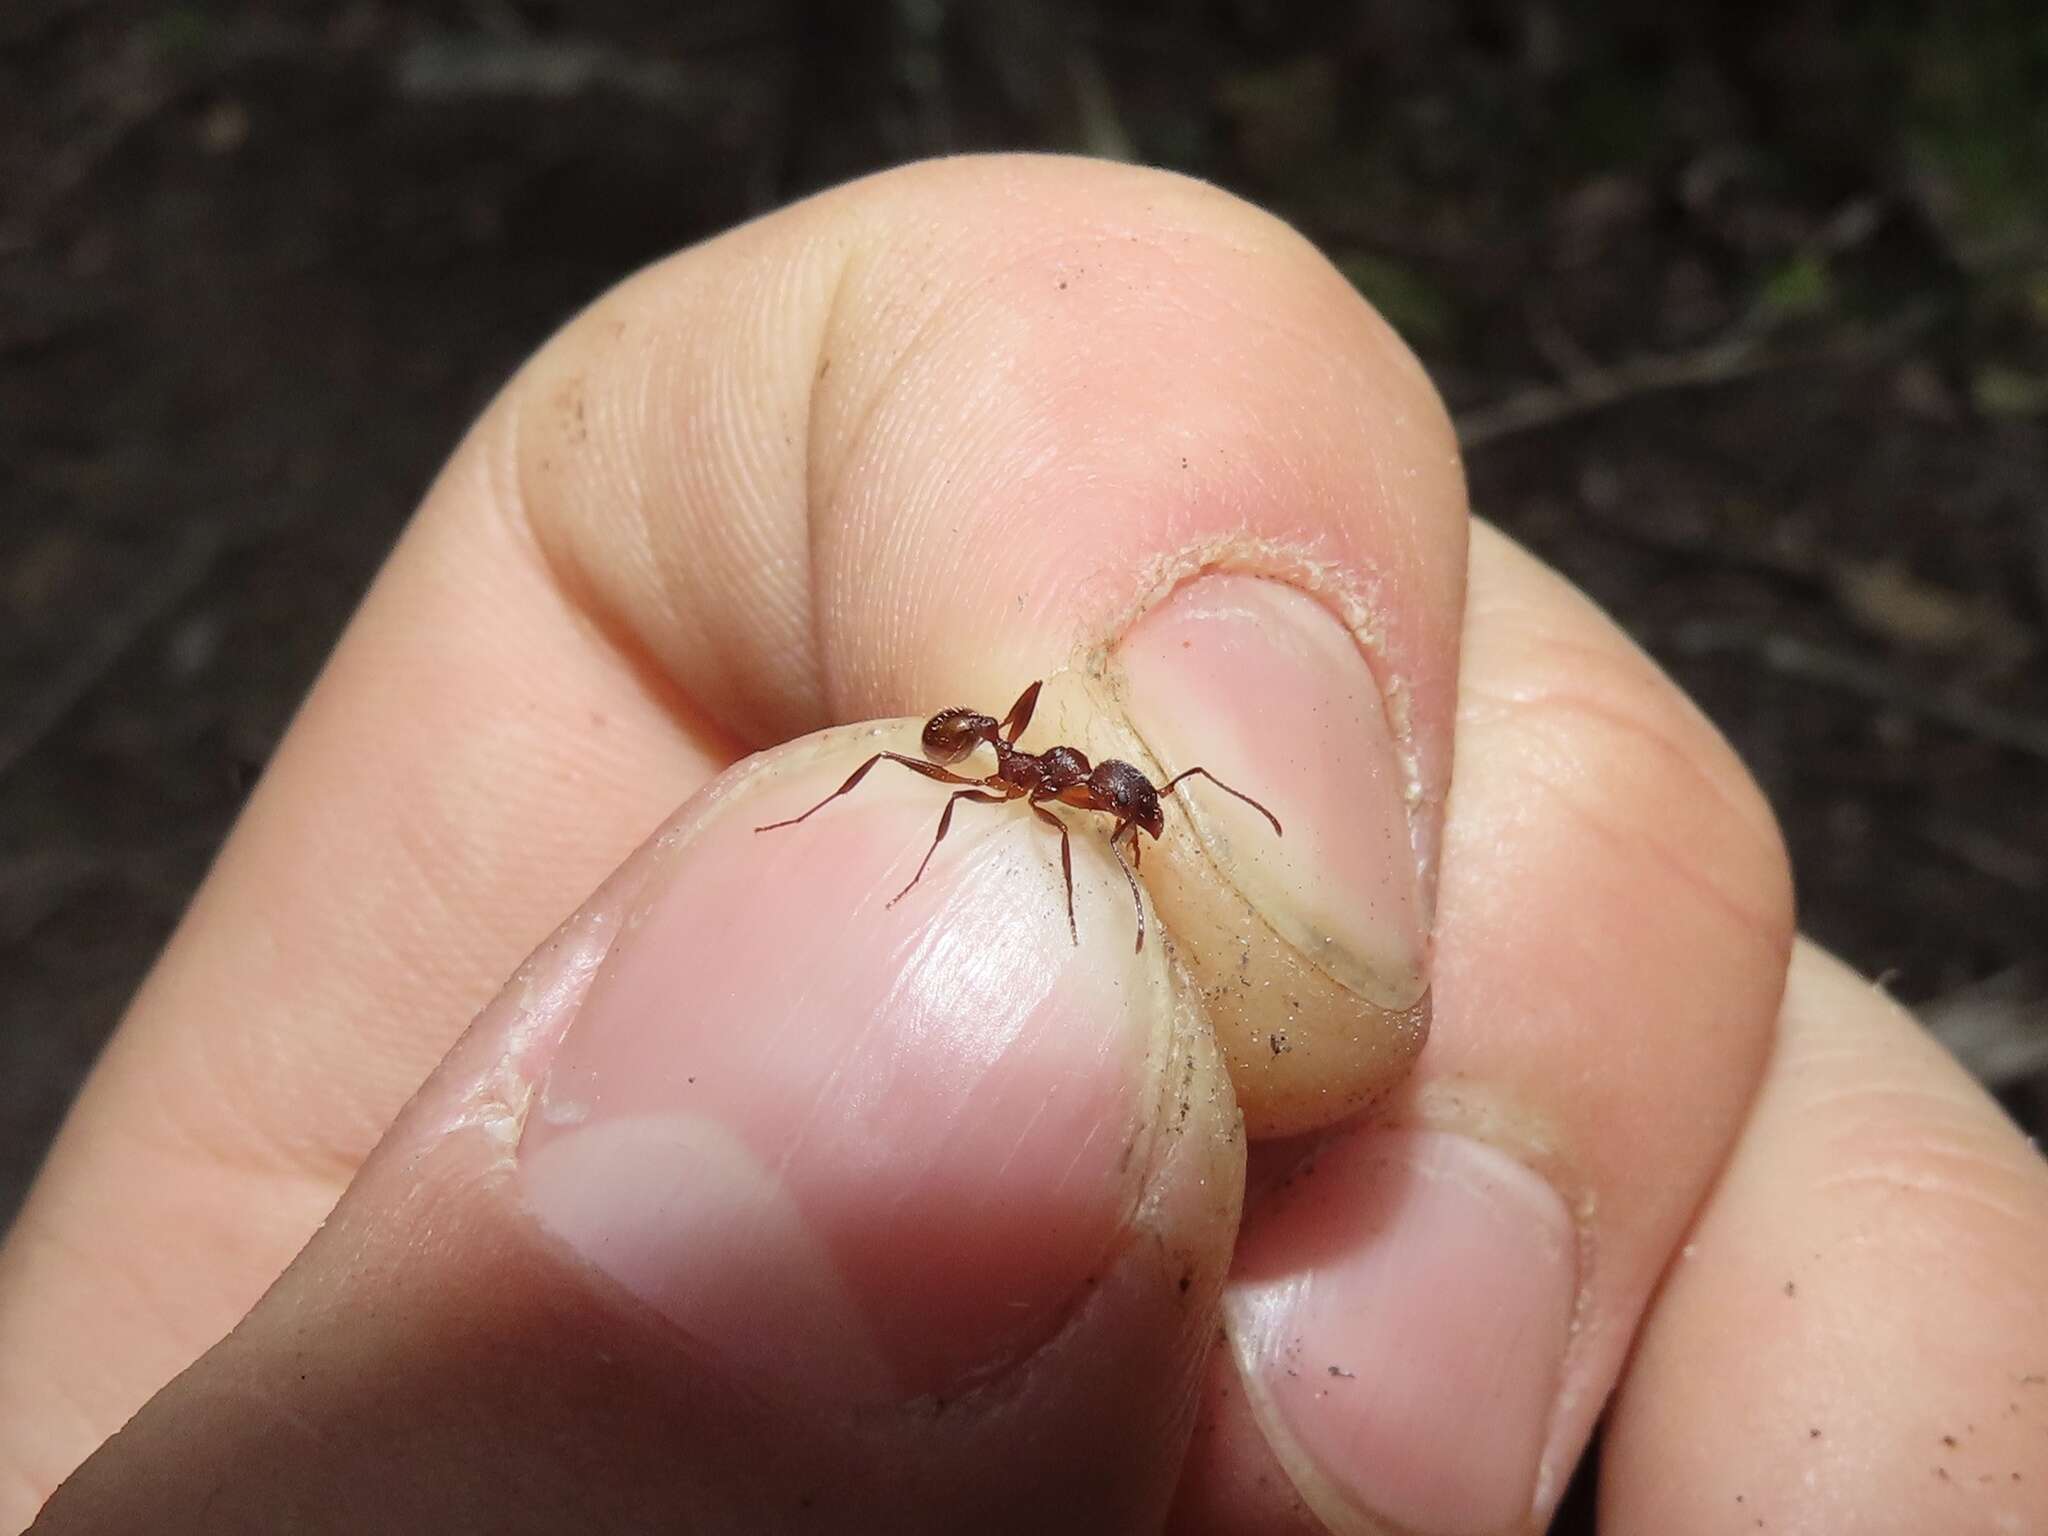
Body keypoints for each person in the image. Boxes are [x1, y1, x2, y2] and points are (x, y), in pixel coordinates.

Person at [8, 157, 2044, 1536]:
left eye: (1140, 803)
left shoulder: (1093, 803)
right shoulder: (1011, 785)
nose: (1133, 815)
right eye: (1136, 796)